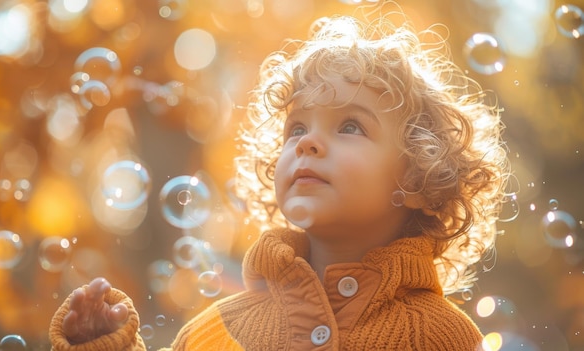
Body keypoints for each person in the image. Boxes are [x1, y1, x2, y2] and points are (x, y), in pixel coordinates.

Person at [49, 2, 509, 350]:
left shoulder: (442, 336)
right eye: (297, 129)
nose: (307, 143)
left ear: (415, 178)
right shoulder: (218, 331)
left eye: (350, 126)